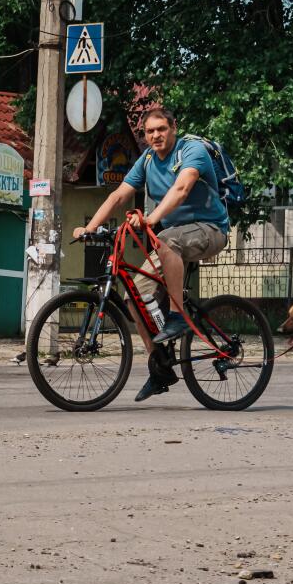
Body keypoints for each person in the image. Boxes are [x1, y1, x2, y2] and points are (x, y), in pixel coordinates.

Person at [75, 106, 230, 401]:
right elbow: (119, 194)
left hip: (210, 230)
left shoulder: (191, 151)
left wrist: (151, 218)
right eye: (149, 131)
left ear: (173, 127)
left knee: (167, 241)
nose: (156, 135)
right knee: (135, 297)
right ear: (144, 136)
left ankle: (177, 315)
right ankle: (159, 367)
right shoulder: (147, 159)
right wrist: (89, 228)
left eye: (161, 129)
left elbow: (182, 188)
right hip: (171, 239)